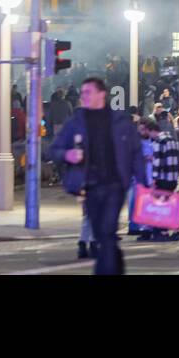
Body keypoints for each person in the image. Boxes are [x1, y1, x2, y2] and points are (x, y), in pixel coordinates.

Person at [50, 78, 146, 274]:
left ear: (102, 94)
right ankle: (115, 264)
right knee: (102, 234)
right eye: (82, 93)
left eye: (88, 92)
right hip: (90, 185)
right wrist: (67, 154)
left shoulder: (119, 121)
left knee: (108, 230)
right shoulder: (76, 122)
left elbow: (136, 152)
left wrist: (144, 184)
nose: (83, 96)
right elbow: (54, 149)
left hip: (115, 184)